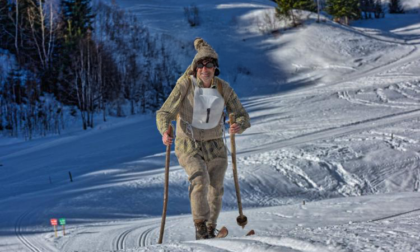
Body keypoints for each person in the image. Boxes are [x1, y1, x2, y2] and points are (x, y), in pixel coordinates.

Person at [156, 38, 250, 240]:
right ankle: (200, 227)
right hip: (188, 143)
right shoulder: (185, 85)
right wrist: (165, 130)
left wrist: (238, 125)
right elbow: (164, 112)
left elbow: (242, 115)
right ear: (195, 67)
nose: (204, 69)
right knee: (199, 178)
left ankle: (209, 228)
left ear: (215, 68)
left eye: (209, 65)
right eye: (200, 64)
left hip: (215, 145)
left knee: (215, 189)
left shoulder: (224, 88)